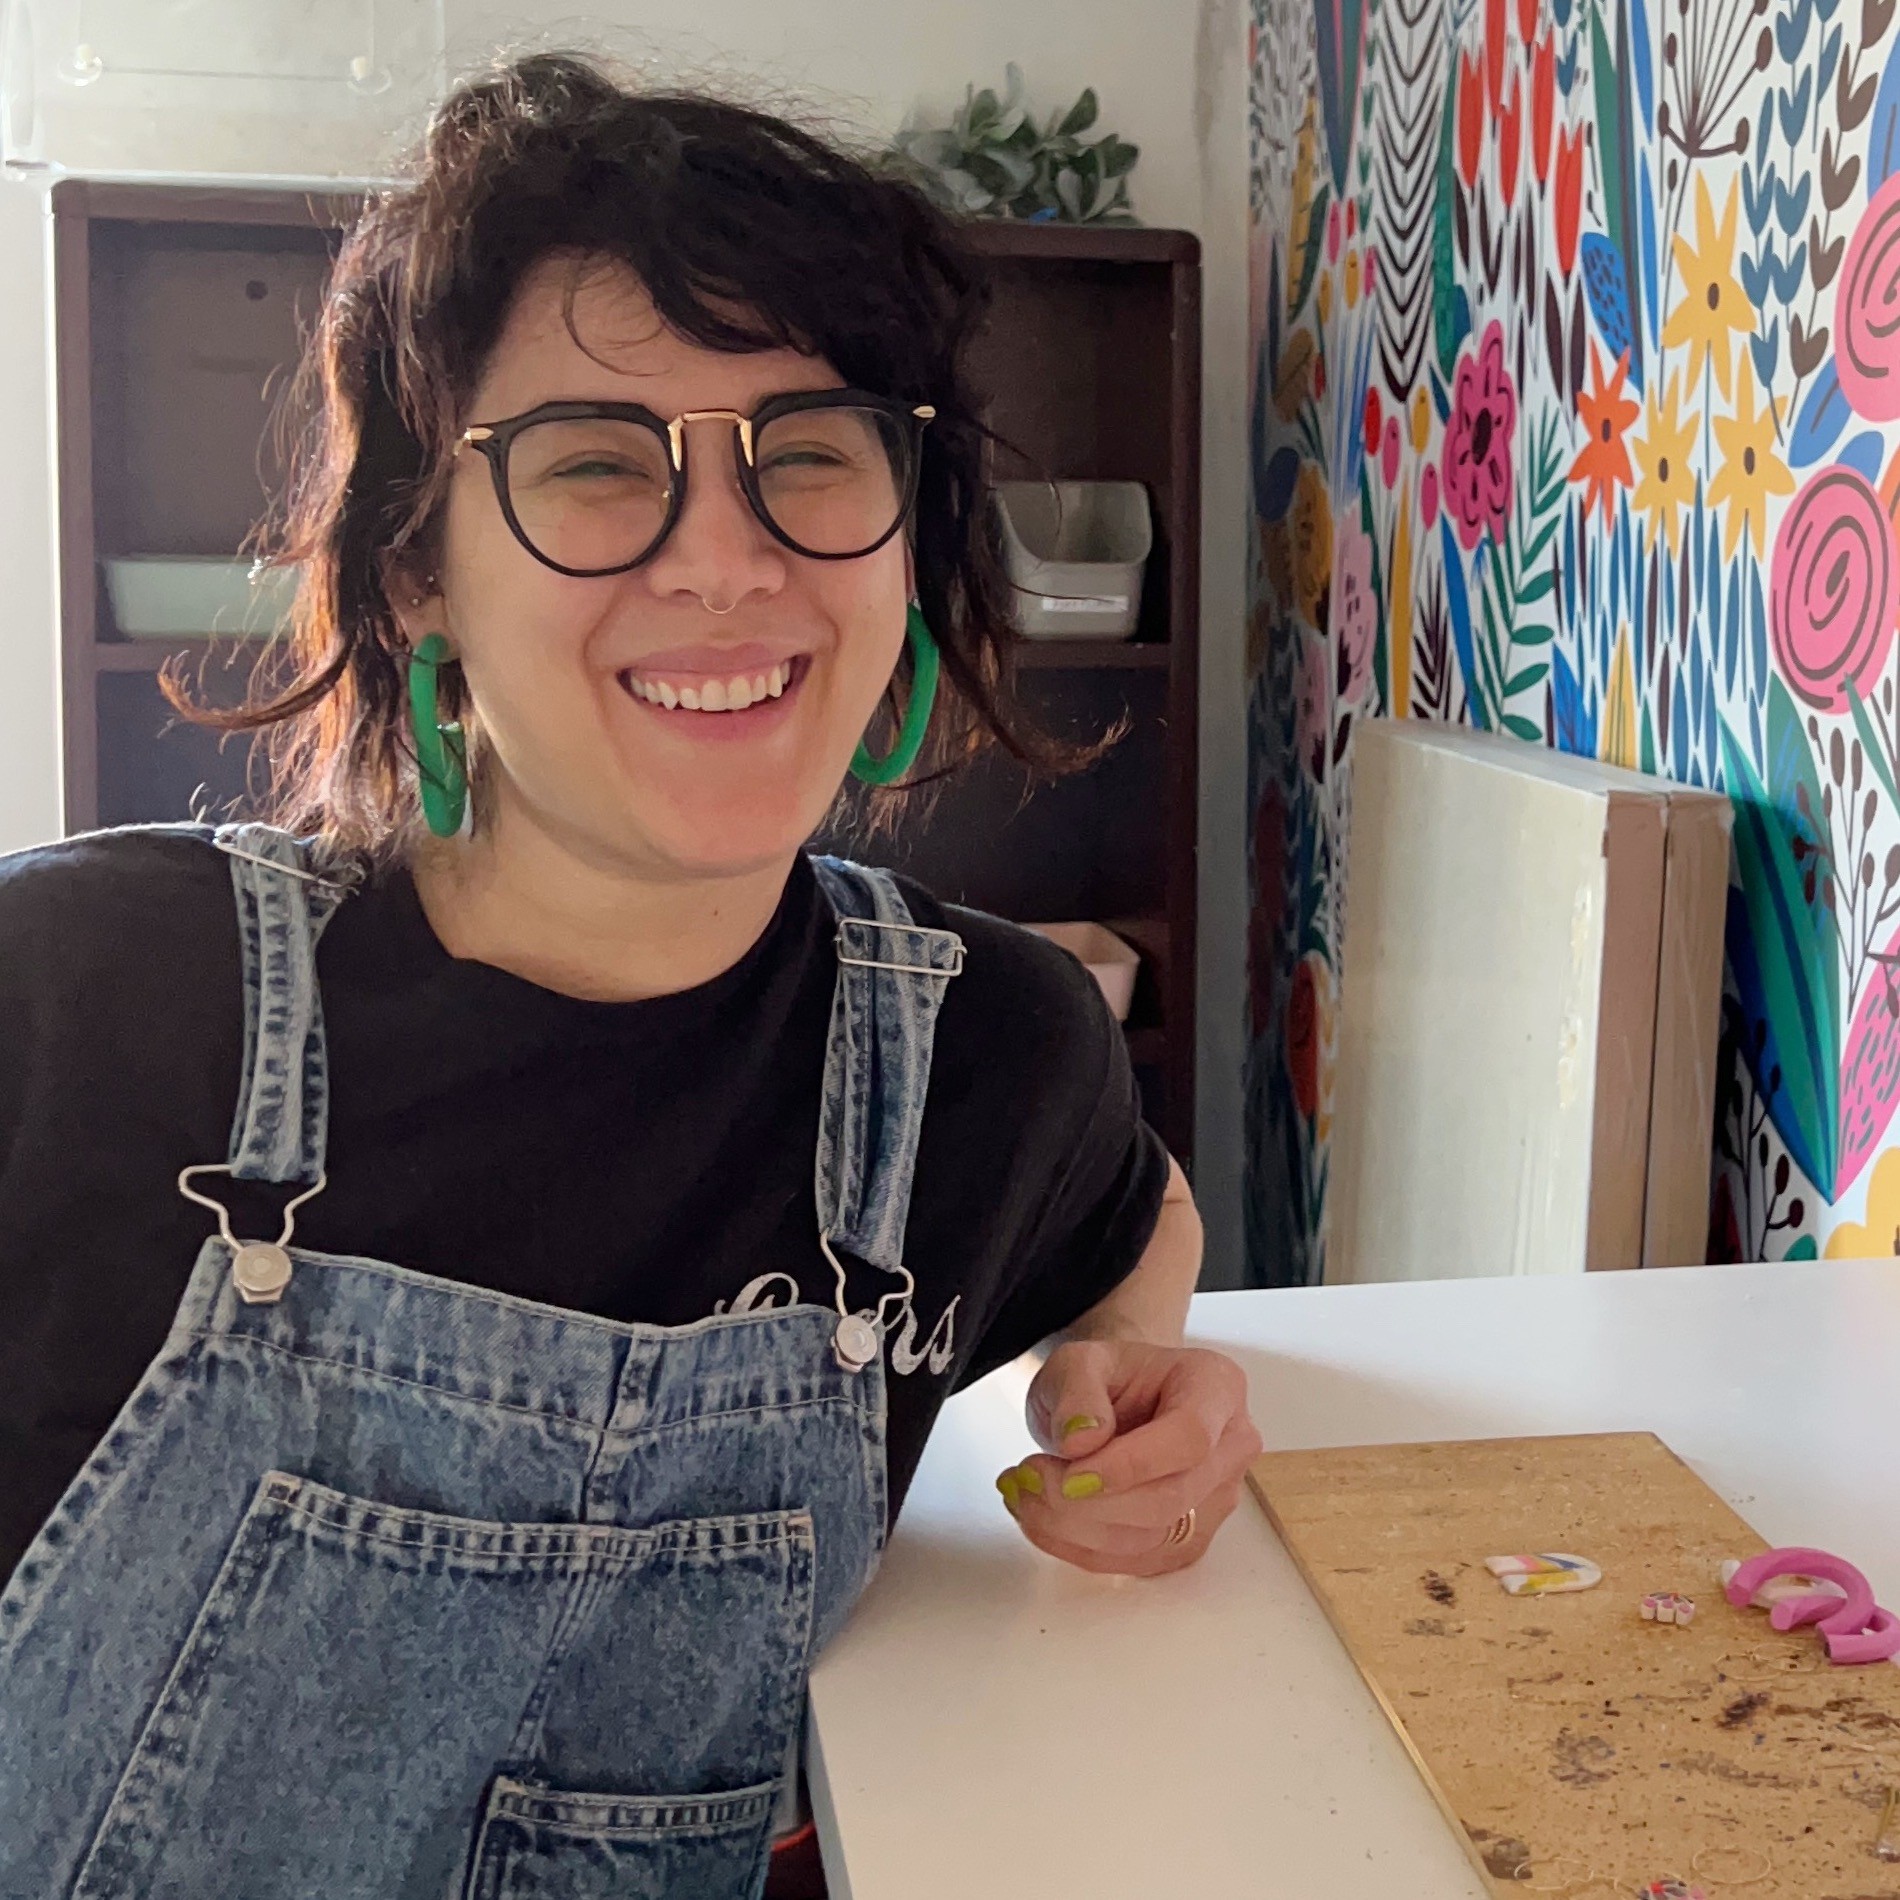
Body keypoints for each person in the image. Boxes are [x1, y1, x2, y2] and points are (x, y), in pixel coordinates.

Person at [0, 52, 1261, 1898]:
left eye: (810, 452)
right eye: (596, 465)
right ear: (418, 574)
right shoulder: (78, 999)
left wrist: (1138, 1373)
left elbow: (1137, 1214)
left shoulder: (991, 1049)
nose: (724, 565)